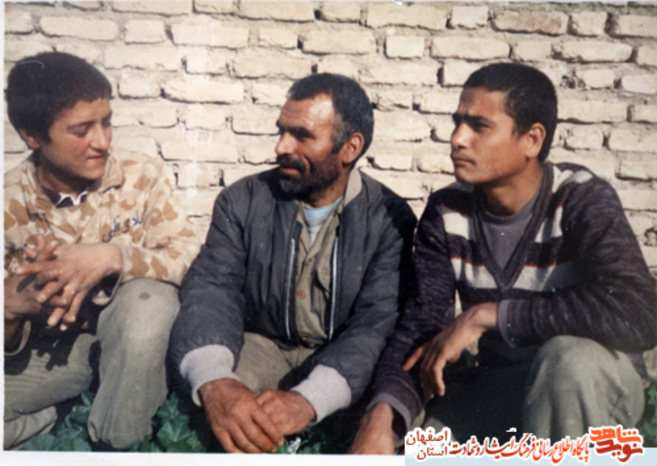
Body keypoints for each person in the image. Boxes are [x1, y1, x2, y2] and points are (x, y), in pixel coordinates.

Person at [350, 62, 657, 453]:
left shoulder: (580, 197)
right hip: (502, 382)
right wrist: (380, 416)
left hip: (588, 385)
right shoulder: (447, 210)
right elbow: (423, 326)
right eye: (457, 123)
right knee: (424, 442)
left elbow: (639, 312)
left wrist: (488, 315)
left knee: (567, 361)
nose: (457, 139)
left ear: (531, 140)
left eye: (479, 126)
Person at [170, 73, 416, 454]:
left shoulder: (390, 218)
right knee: (218, 413)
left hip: (346, 361)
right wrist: (216, 381)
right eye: (281, 131)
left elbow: (375, 324)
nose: (281, 146)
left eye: (301, 135)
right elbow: (213, 288)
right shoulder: (241, 201)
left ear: (350, 148)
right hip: (262, 347)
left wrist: (310, 399)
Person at [4, 52, 200, 449]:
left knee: (150, 303)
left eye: (106, 122)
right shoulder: (8, 200)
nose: (103, 141)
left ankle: (118, 446)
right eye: (81, 131)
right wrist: (10, 307)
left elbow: (190, 257)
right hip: (50, 354)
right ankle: (64, 411)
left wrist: (113, 257)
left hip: (132, 345)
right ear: (32, 136)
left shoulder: (142, 176)